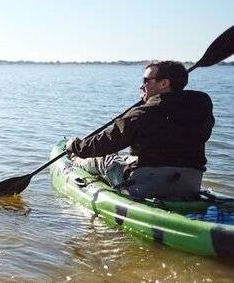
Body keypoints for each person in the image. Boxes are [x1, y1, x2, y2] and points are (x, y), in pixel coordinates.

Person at [65, 60, 214, 199]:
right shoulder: (202, 108)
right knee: (128, 158)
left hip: (145, 185)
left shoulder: (141, 114)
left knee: (104, 159)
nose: (141, 86)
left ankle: (74, 159)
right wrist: (147, 103)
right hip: (190, 183)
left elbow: (105, 143)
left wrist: (75, 146)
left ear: (164, 83)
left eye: (146, 81)